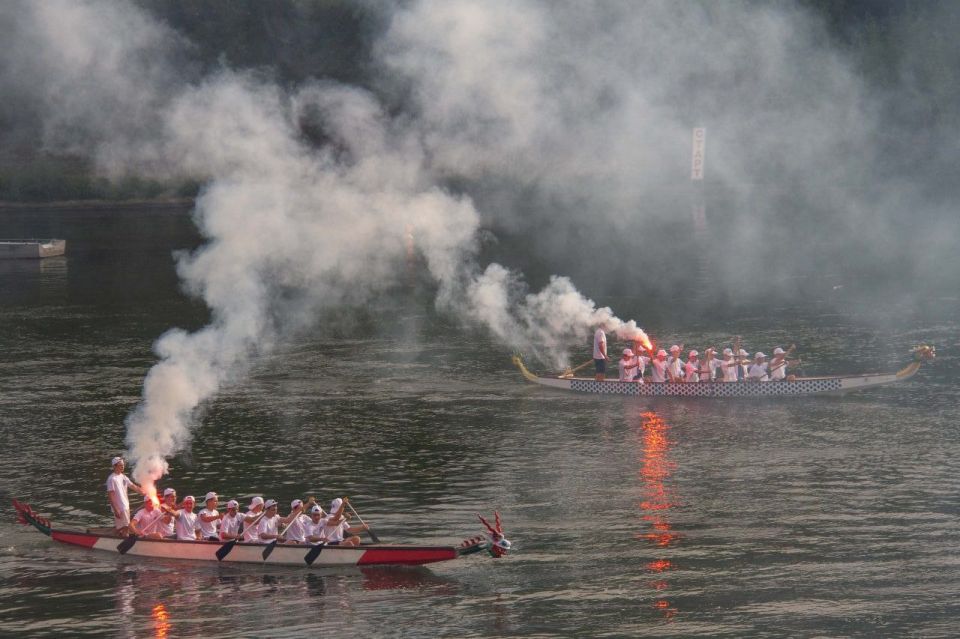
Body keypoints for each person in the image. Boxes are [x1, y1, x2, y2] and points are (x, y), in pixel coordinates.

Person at [105, 457, 145, 535]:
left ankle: (114, 537)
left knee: (123, 527)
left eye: (123, 465)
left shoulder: (123, 476)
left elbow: (133, 486)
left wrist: (145, 493)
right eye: (120, 465)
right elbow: (111, 495)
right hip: (120, 507)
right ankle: (113, 538)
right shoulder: (111, 479)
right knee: (126, 526)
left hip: (126, 506)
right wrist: (116, 509)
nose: (122, 466)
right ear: (114, 466)